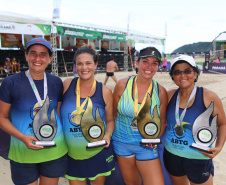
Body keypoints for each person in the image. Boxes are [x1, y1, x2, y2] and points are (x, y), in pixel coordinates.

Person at [0, 37, 68, 185]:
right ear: (26, 56)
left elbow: (59, 113)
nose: (38, 58)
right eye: (33, 53)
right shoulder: (10, 83)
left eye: (43, 54)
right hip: (23, 149)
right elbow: (2, 117)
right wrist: (22, 137)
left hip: (54, 149)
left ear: (50, 58)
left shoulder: (56, 82)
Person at [164, 55, 226, 185]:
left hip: (198, 158)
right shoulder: (169, 96)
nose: (182, 75)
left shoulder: (209, 97)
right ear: (173, 77)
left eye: (187, 71)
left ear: (196, 74)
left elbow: (222, 124)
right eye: (177, 72)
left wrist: (219, 146)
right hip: (172, 156)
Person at [60, 43, 115, 185]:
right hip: (72, 155)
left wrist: (107, 135)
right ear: (75, 66)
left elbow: (110, 120)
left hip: (97, 153)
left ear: (96, 64)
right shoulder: (66, 85)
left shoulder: (105, 91)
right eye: (80, 64)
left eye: (88, 63)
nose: (84, 68)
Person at [112, 46, 168, 185]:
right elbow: (112, 115)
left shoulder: (160, 91)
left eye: (154, 63)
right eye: (146, 61)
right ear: (137, 63)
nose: (149, 66)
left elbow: (163, 122)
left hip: (146, 146)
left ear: (158, 67)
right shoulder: (122, 85)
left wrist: (154, 138)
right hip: (122, 143)